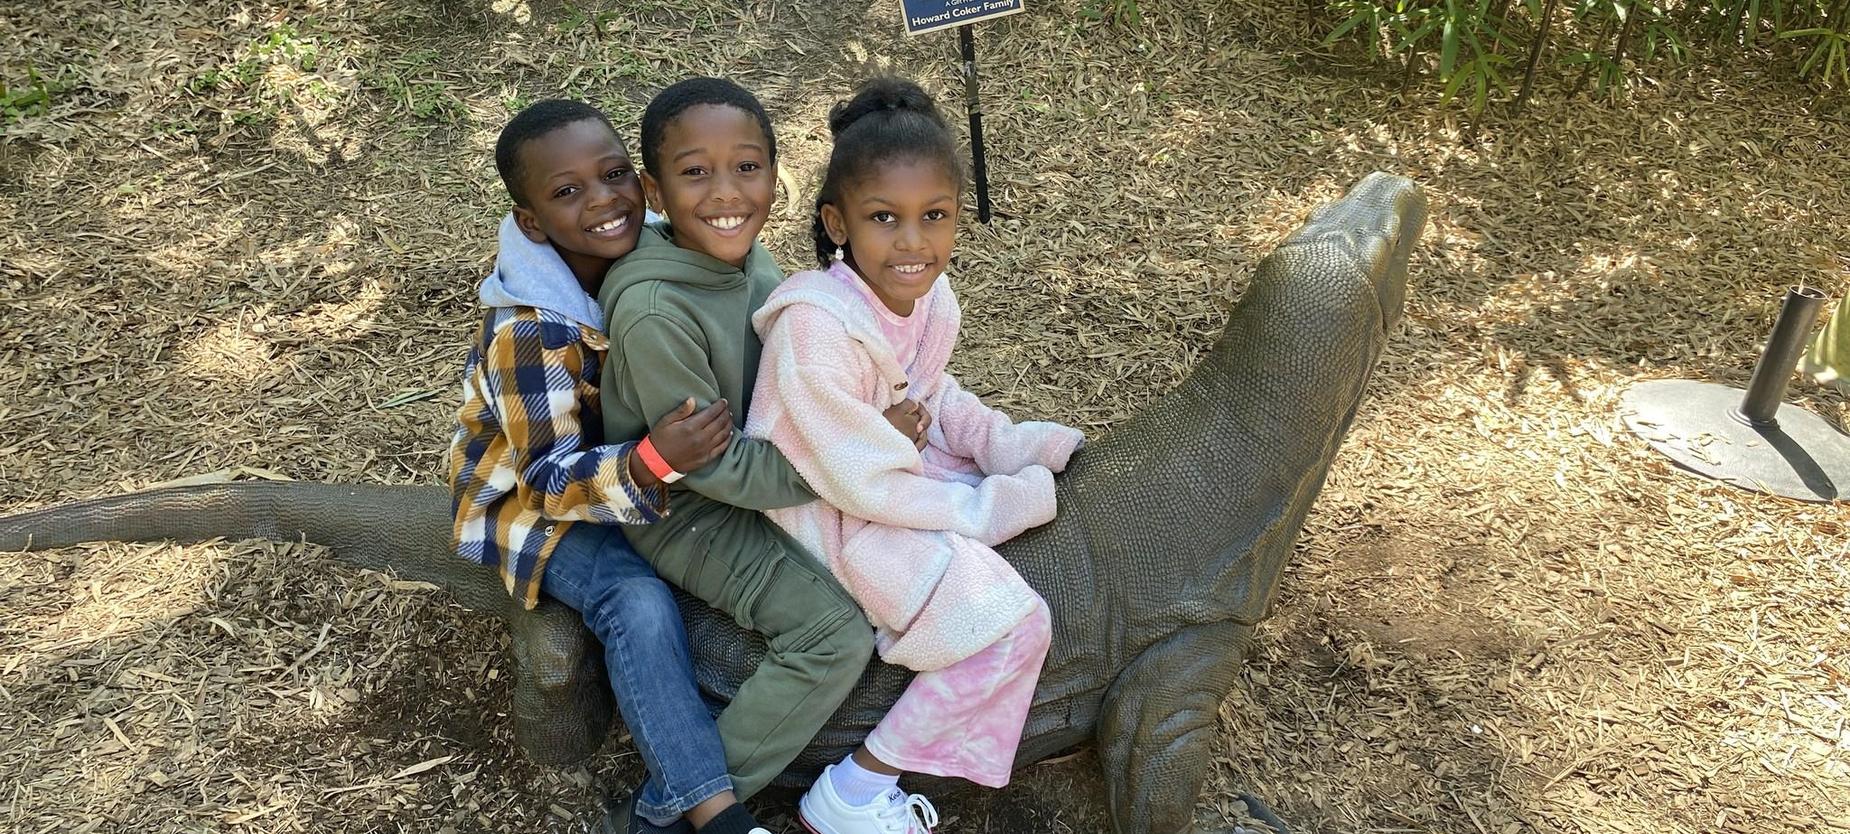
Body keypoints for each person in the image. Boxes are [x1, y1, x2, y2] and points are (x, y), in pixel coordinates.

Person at [743, 78, 1083, 834]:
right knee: (1012, 625)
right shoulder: (814, 331)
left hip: (883, 481)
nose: (912, 243)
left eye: (935, 217)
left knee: (1001, 582)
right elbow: (859, 478)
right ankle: (855, 790)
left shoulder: (931, 299)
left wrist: (1002, 443)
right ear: (837, 223)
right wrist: (990, 507)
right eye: (883, 219)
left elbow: (931, 395)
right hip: (830, 512)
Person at [447, 99, 770, 834]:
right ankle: (703, 810)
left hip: (640, 471)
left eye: (616, 174)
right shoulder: (528, 333)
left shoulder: (655, 248)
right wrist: (655, 459)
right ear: (532, 222)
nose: (603, 201)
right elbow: (548, 481)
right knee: (638, 601)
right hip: (533, 506)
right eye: (567, 193)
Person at [594, 77, 889, 813]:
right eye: (695, 172)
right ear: (656, 194)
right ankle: (675, 810)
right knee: (832, 636)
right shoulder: (655, 310)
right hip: (688, 510)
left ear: (774, 175)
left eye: (747, 167)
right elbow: (713, 467)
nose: (727, 192)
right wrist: (845, 467)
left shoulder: (752, 261)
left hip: (769, 465)